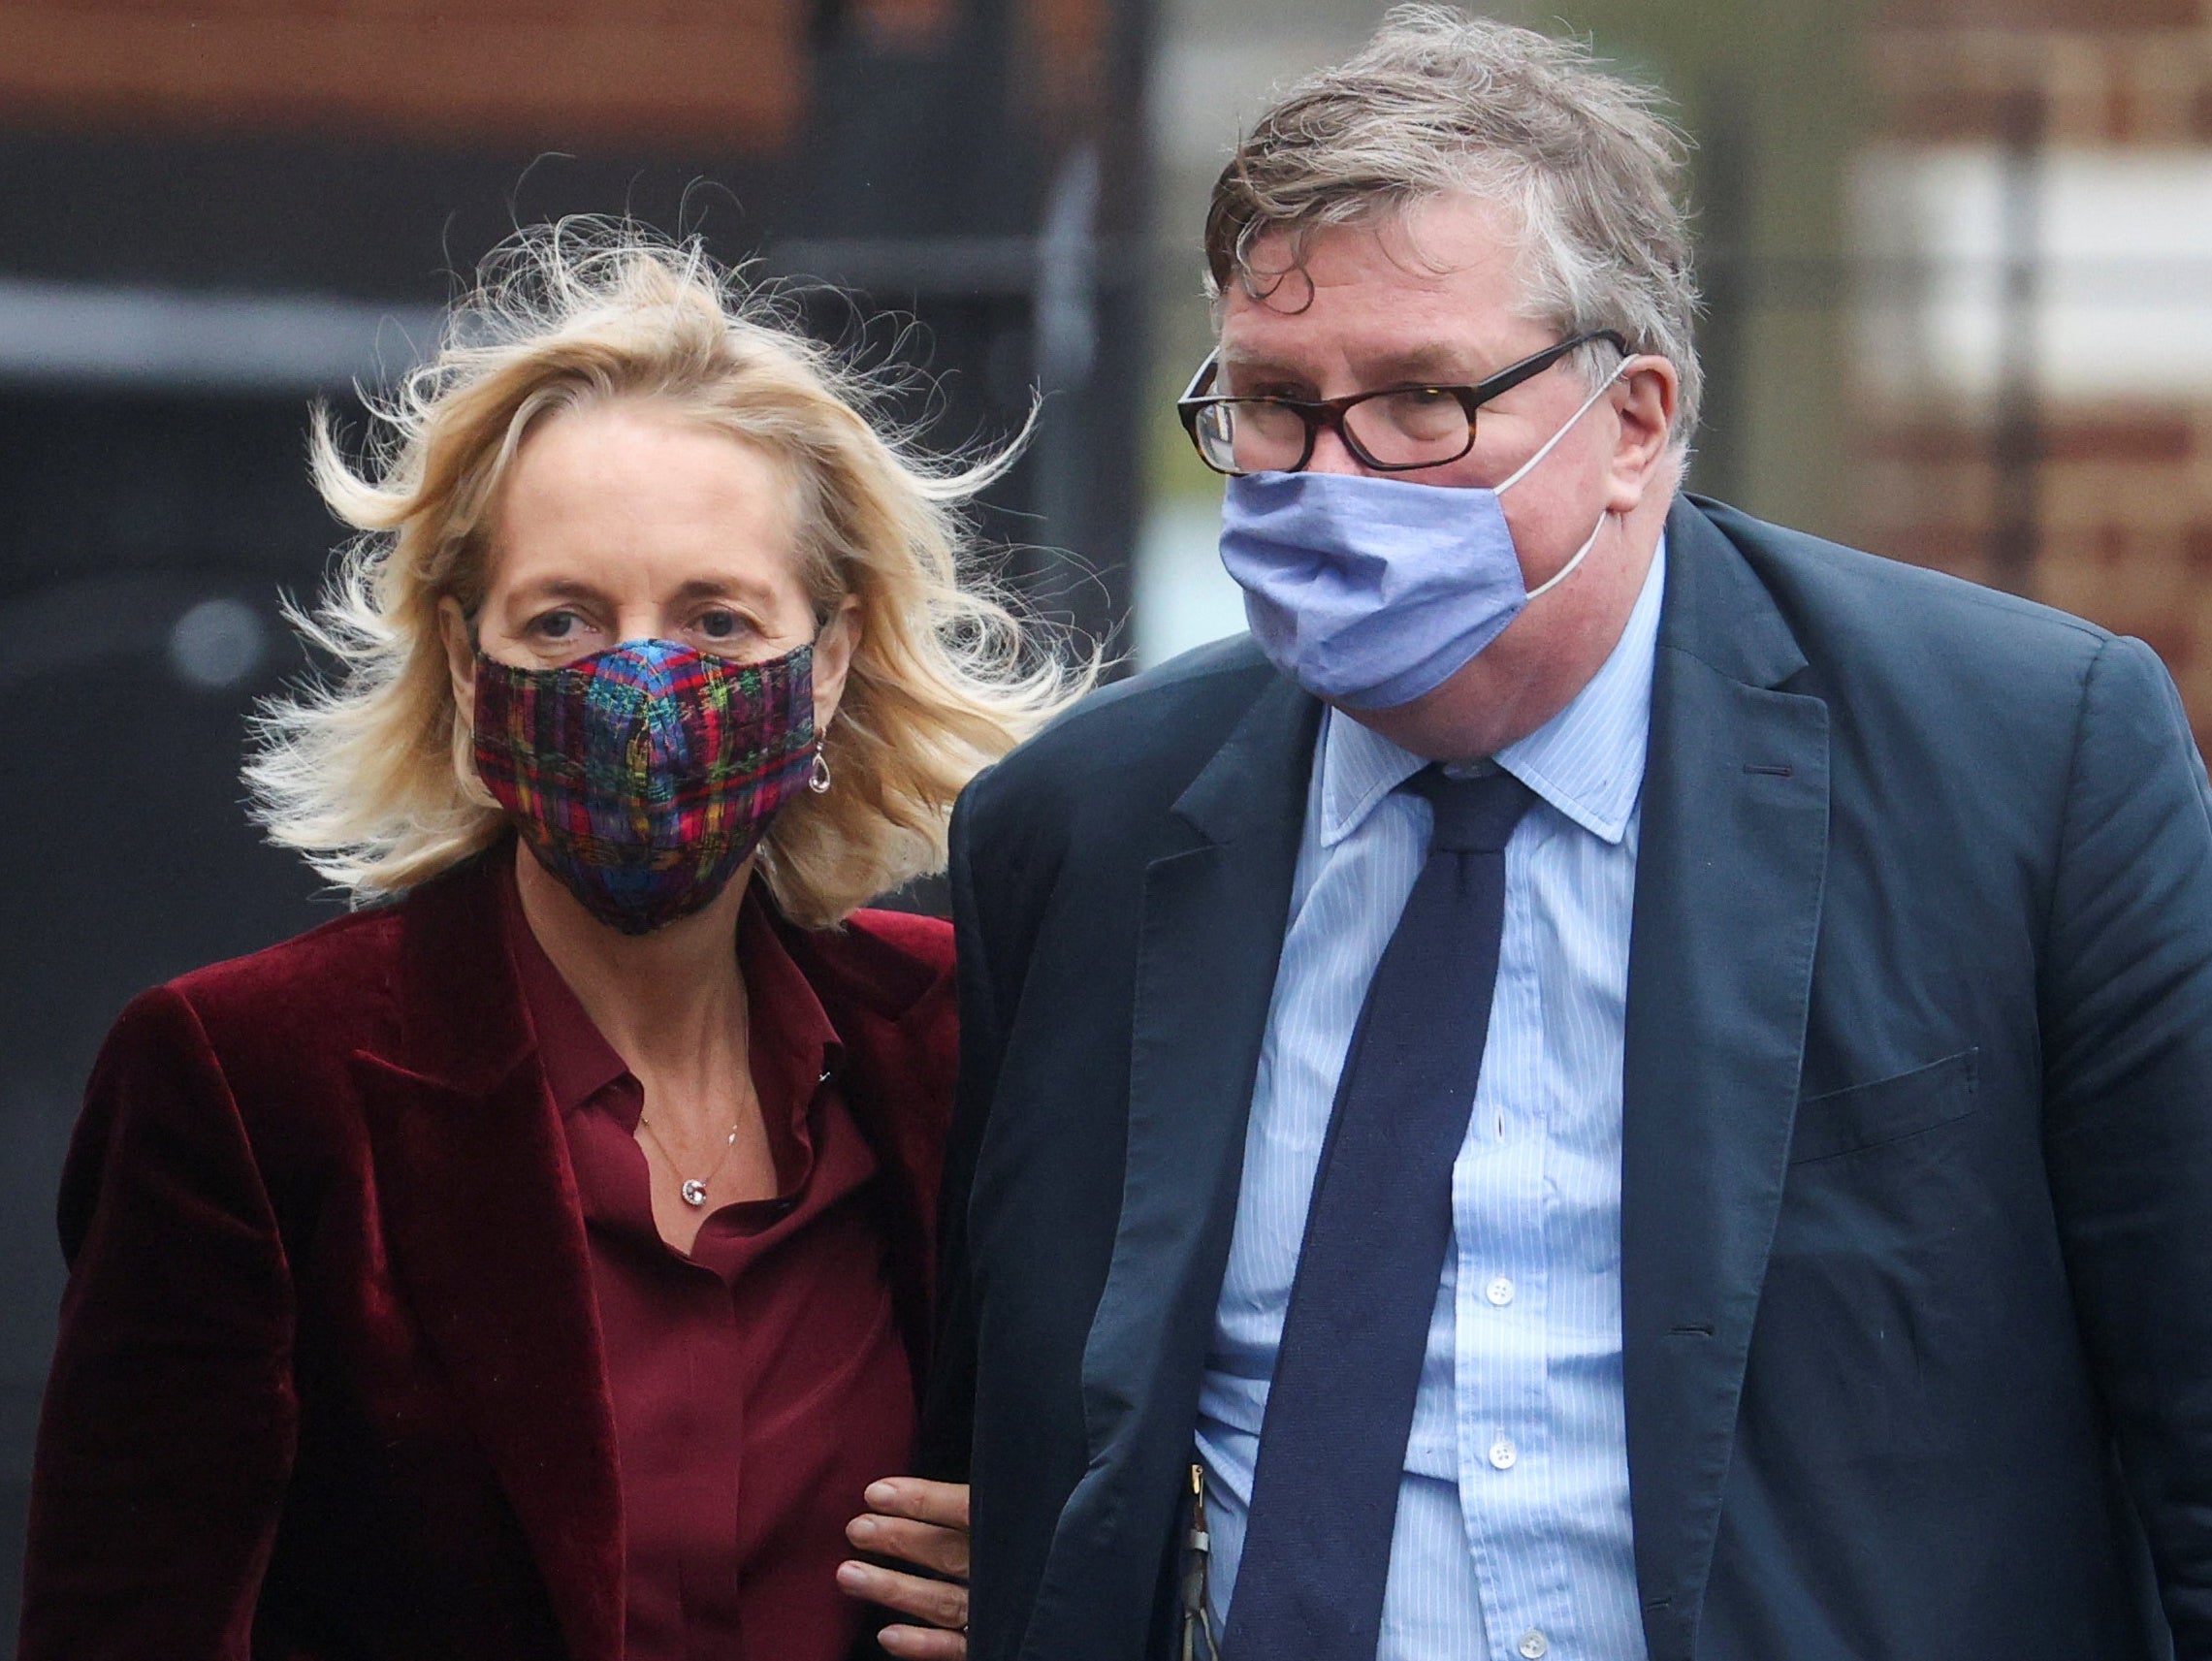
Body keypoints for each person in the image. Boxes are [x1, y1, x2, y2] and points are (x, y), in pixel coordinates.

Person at [923, 10, 2212, 1661]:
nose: (1329, 477)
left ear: (1631, 420)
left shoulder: (2024, 764)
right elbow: (1023, 1394)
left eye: (1416, 402)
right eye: (1267, 402)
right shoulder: (1078, 826)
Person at [20, 224, 1065, 1660]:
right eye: (564, 619)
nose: (643, 681)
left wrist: (1050, 1586)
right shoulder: (252, 1083)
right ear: (466, 668)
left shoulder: (956, 1041)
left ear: (824, 666)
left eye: (716, 619)